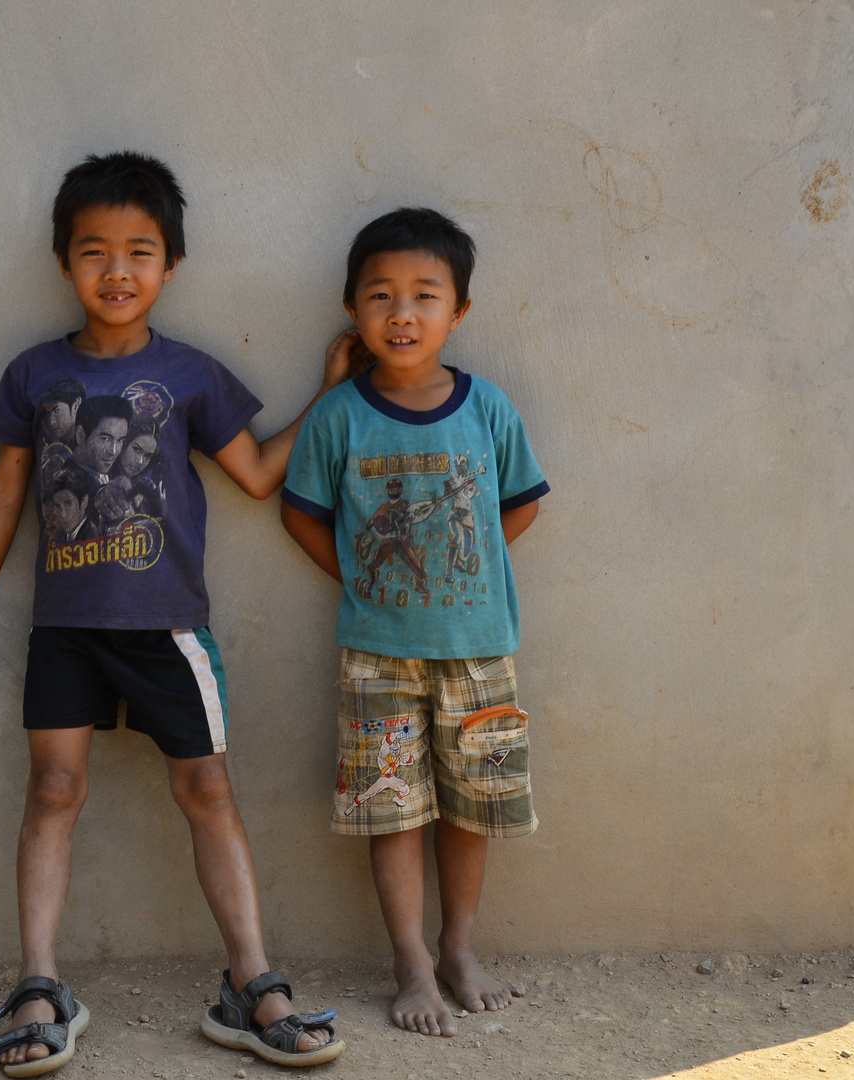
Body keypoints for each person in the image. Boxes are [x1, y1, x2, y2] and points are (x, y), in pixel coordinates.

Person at [0, 151, 355, 1075]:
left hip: (169, 629)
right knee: (52, 793)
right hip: (63, 629)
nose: (117, 269)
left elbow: (256, 474)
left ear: (169, 265)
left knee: (208, 790)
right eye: (94, 250)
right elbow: (6, 491)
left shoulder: (190, 375)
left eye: (139, 250)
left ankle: (252, 983)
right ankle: (40, 985)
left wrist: (331, 392)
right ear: (65, 262)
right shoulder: (34, 374)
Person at [280, 208, 549, 1039]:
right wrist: (365, 580)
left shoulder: (488, 408)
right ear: (353, 310)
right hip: (378, 654)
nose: (402, 313)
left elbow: (519, 508)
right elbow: (302, 516)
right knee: (391, 808)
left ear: (457, 312)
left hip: (478, 652)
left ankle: (459, 946)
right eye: (381, 295)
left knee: (473, 807)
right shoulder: (338, 417)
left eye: (424, 295)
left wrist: (458, 572)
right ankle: (410, 962)